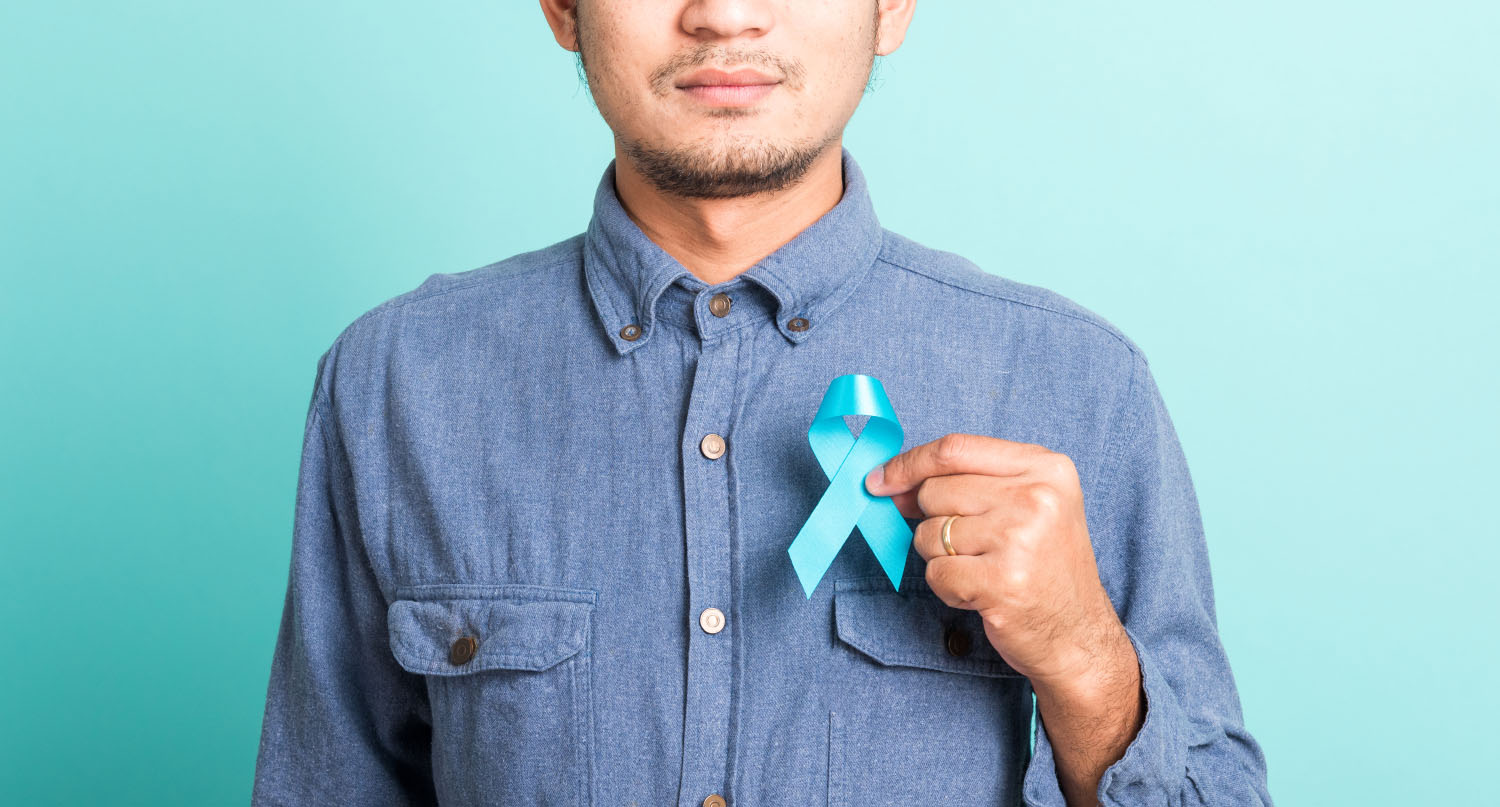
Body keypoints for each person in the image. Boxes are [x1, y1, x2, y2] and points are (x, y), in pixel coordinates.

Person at [250, 1, 1273, 805]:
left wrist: (1090, 665)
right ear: (562, 7)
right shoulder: (395, 384)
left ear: (892, 5)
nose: (726, 15)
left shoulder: (1076, 385)